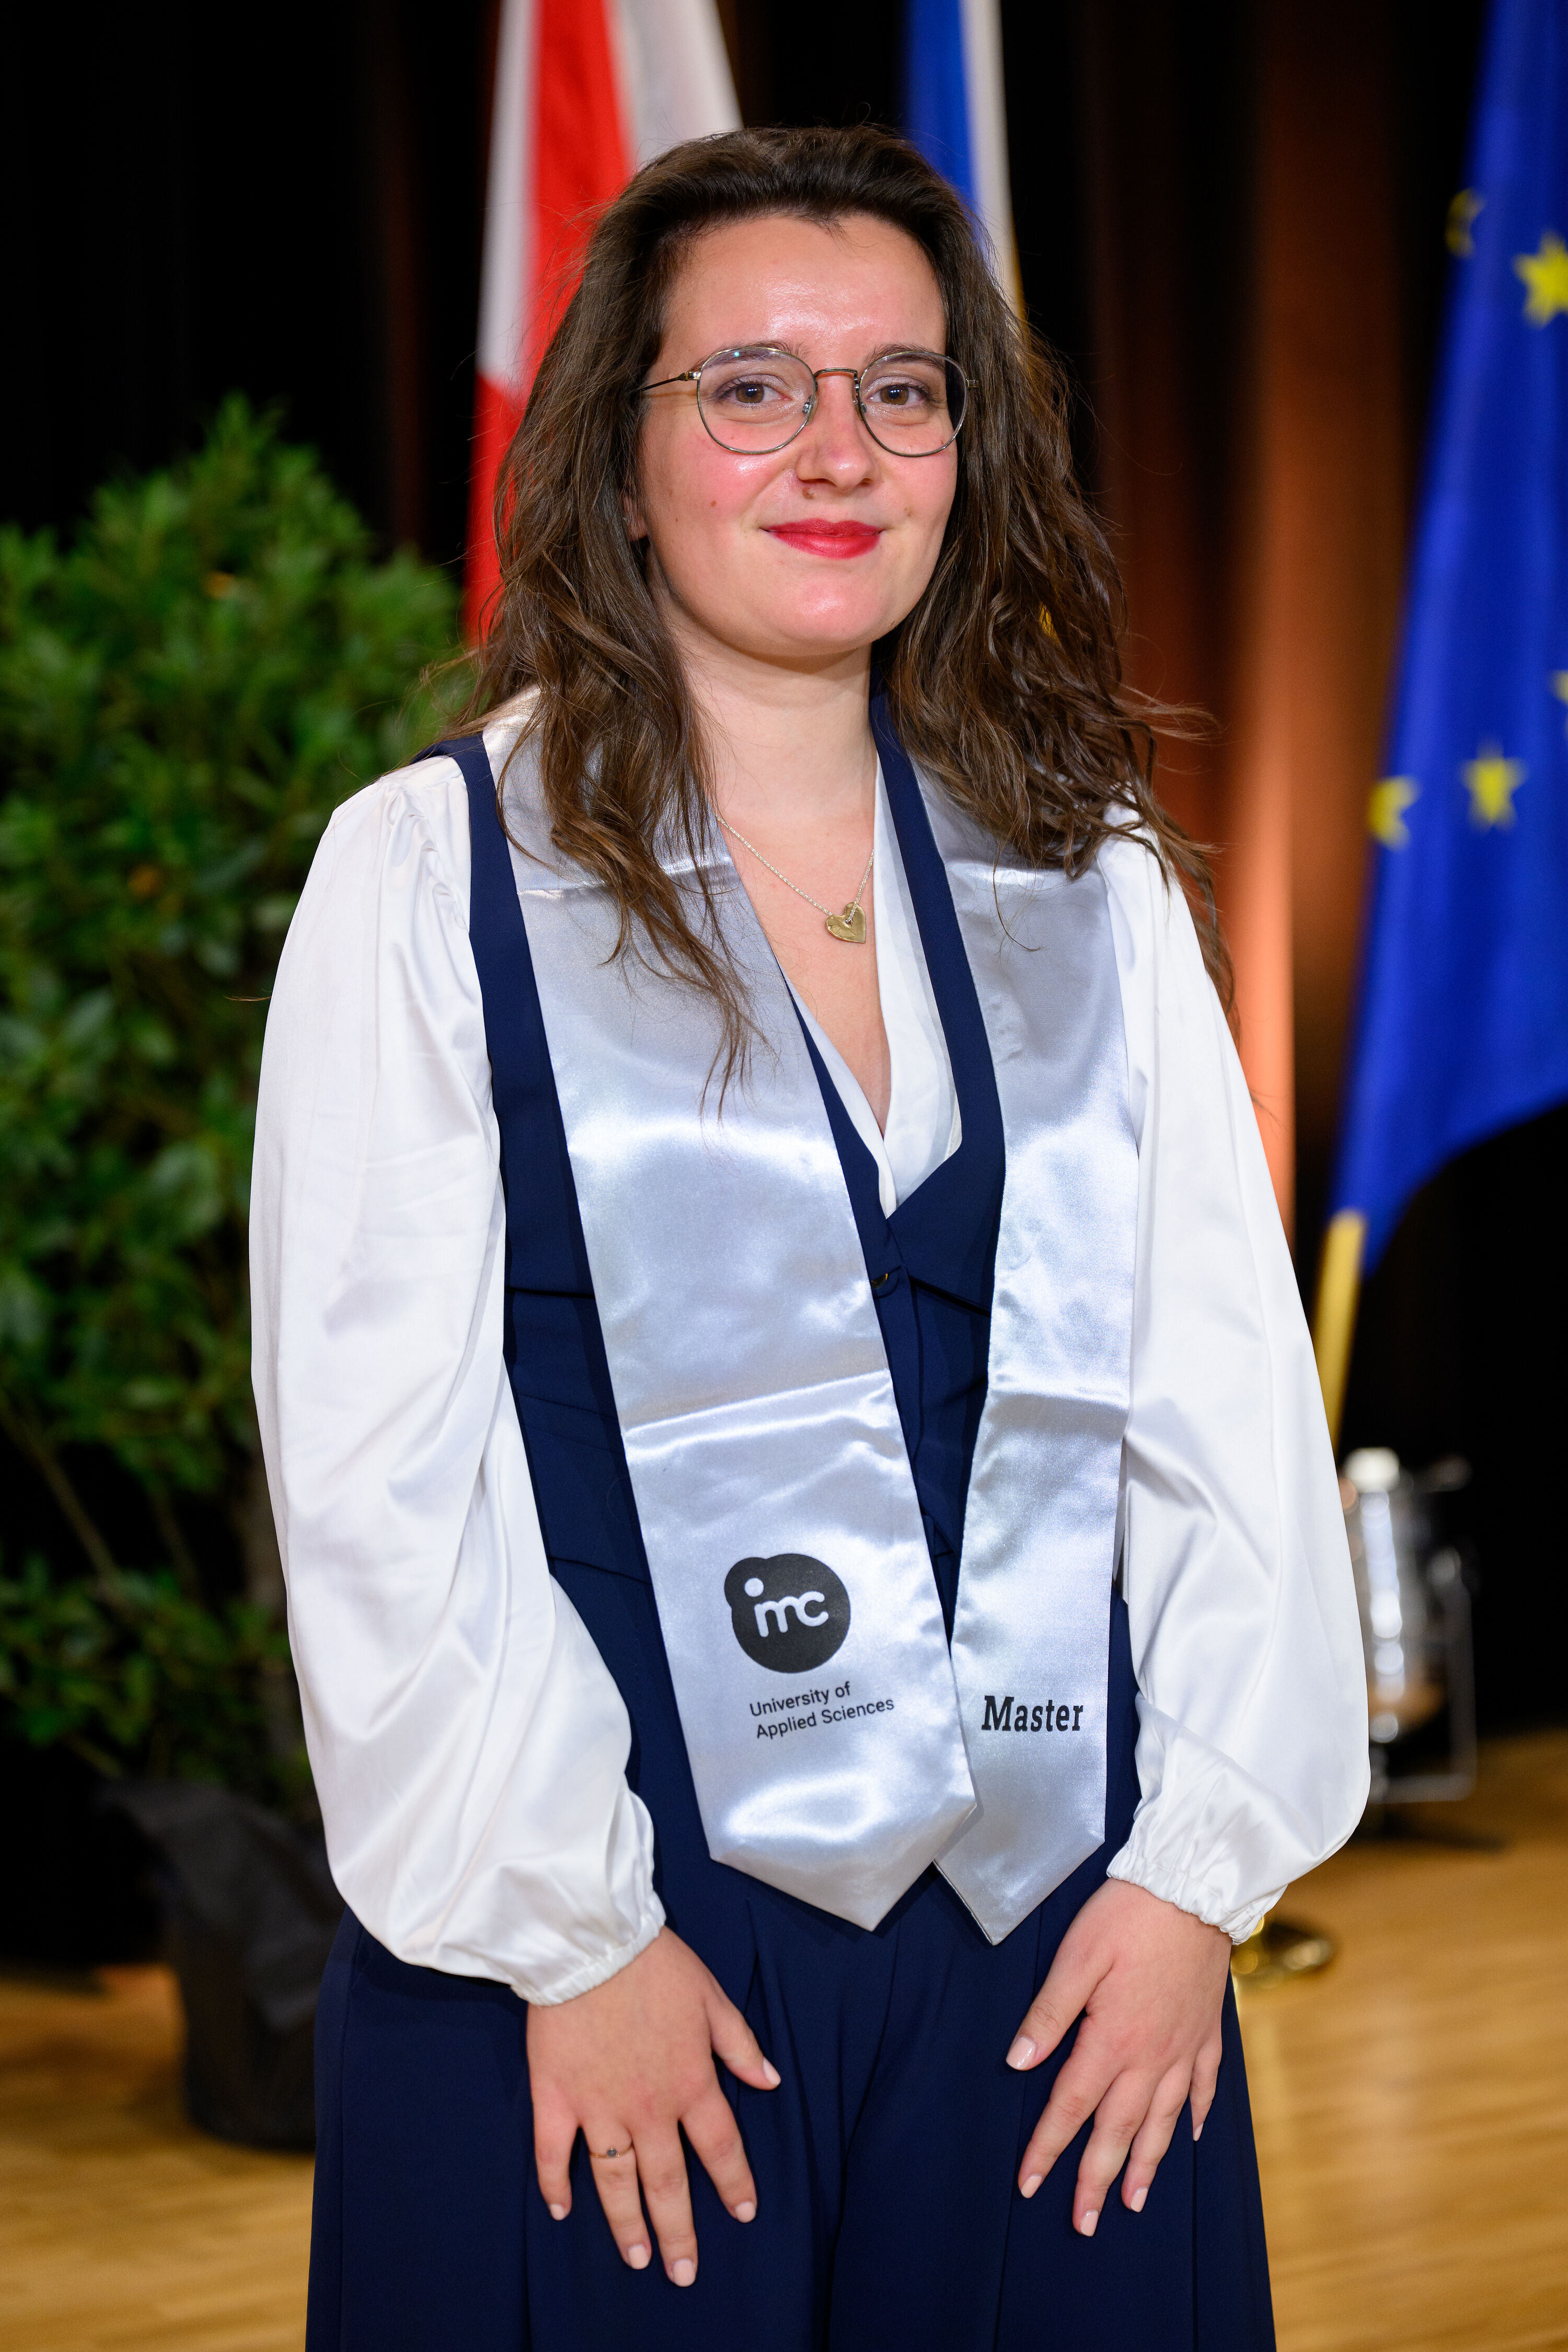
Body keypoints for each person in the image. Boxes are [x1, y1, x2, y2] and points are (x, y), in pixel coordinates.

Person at [251, 125, 1368, 2352]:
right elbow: (380, 1477)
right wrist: (570, 1938)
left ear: (968, 449)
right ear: (620, 450)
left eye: (902, 389)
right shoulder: (434, 875)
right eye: (751, 386)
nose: (837, 452)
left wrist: (1193, 1884)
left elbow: (1224, 1413)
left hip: (1060, 1944)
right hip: (617, 1943)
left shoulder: (1090, 882)